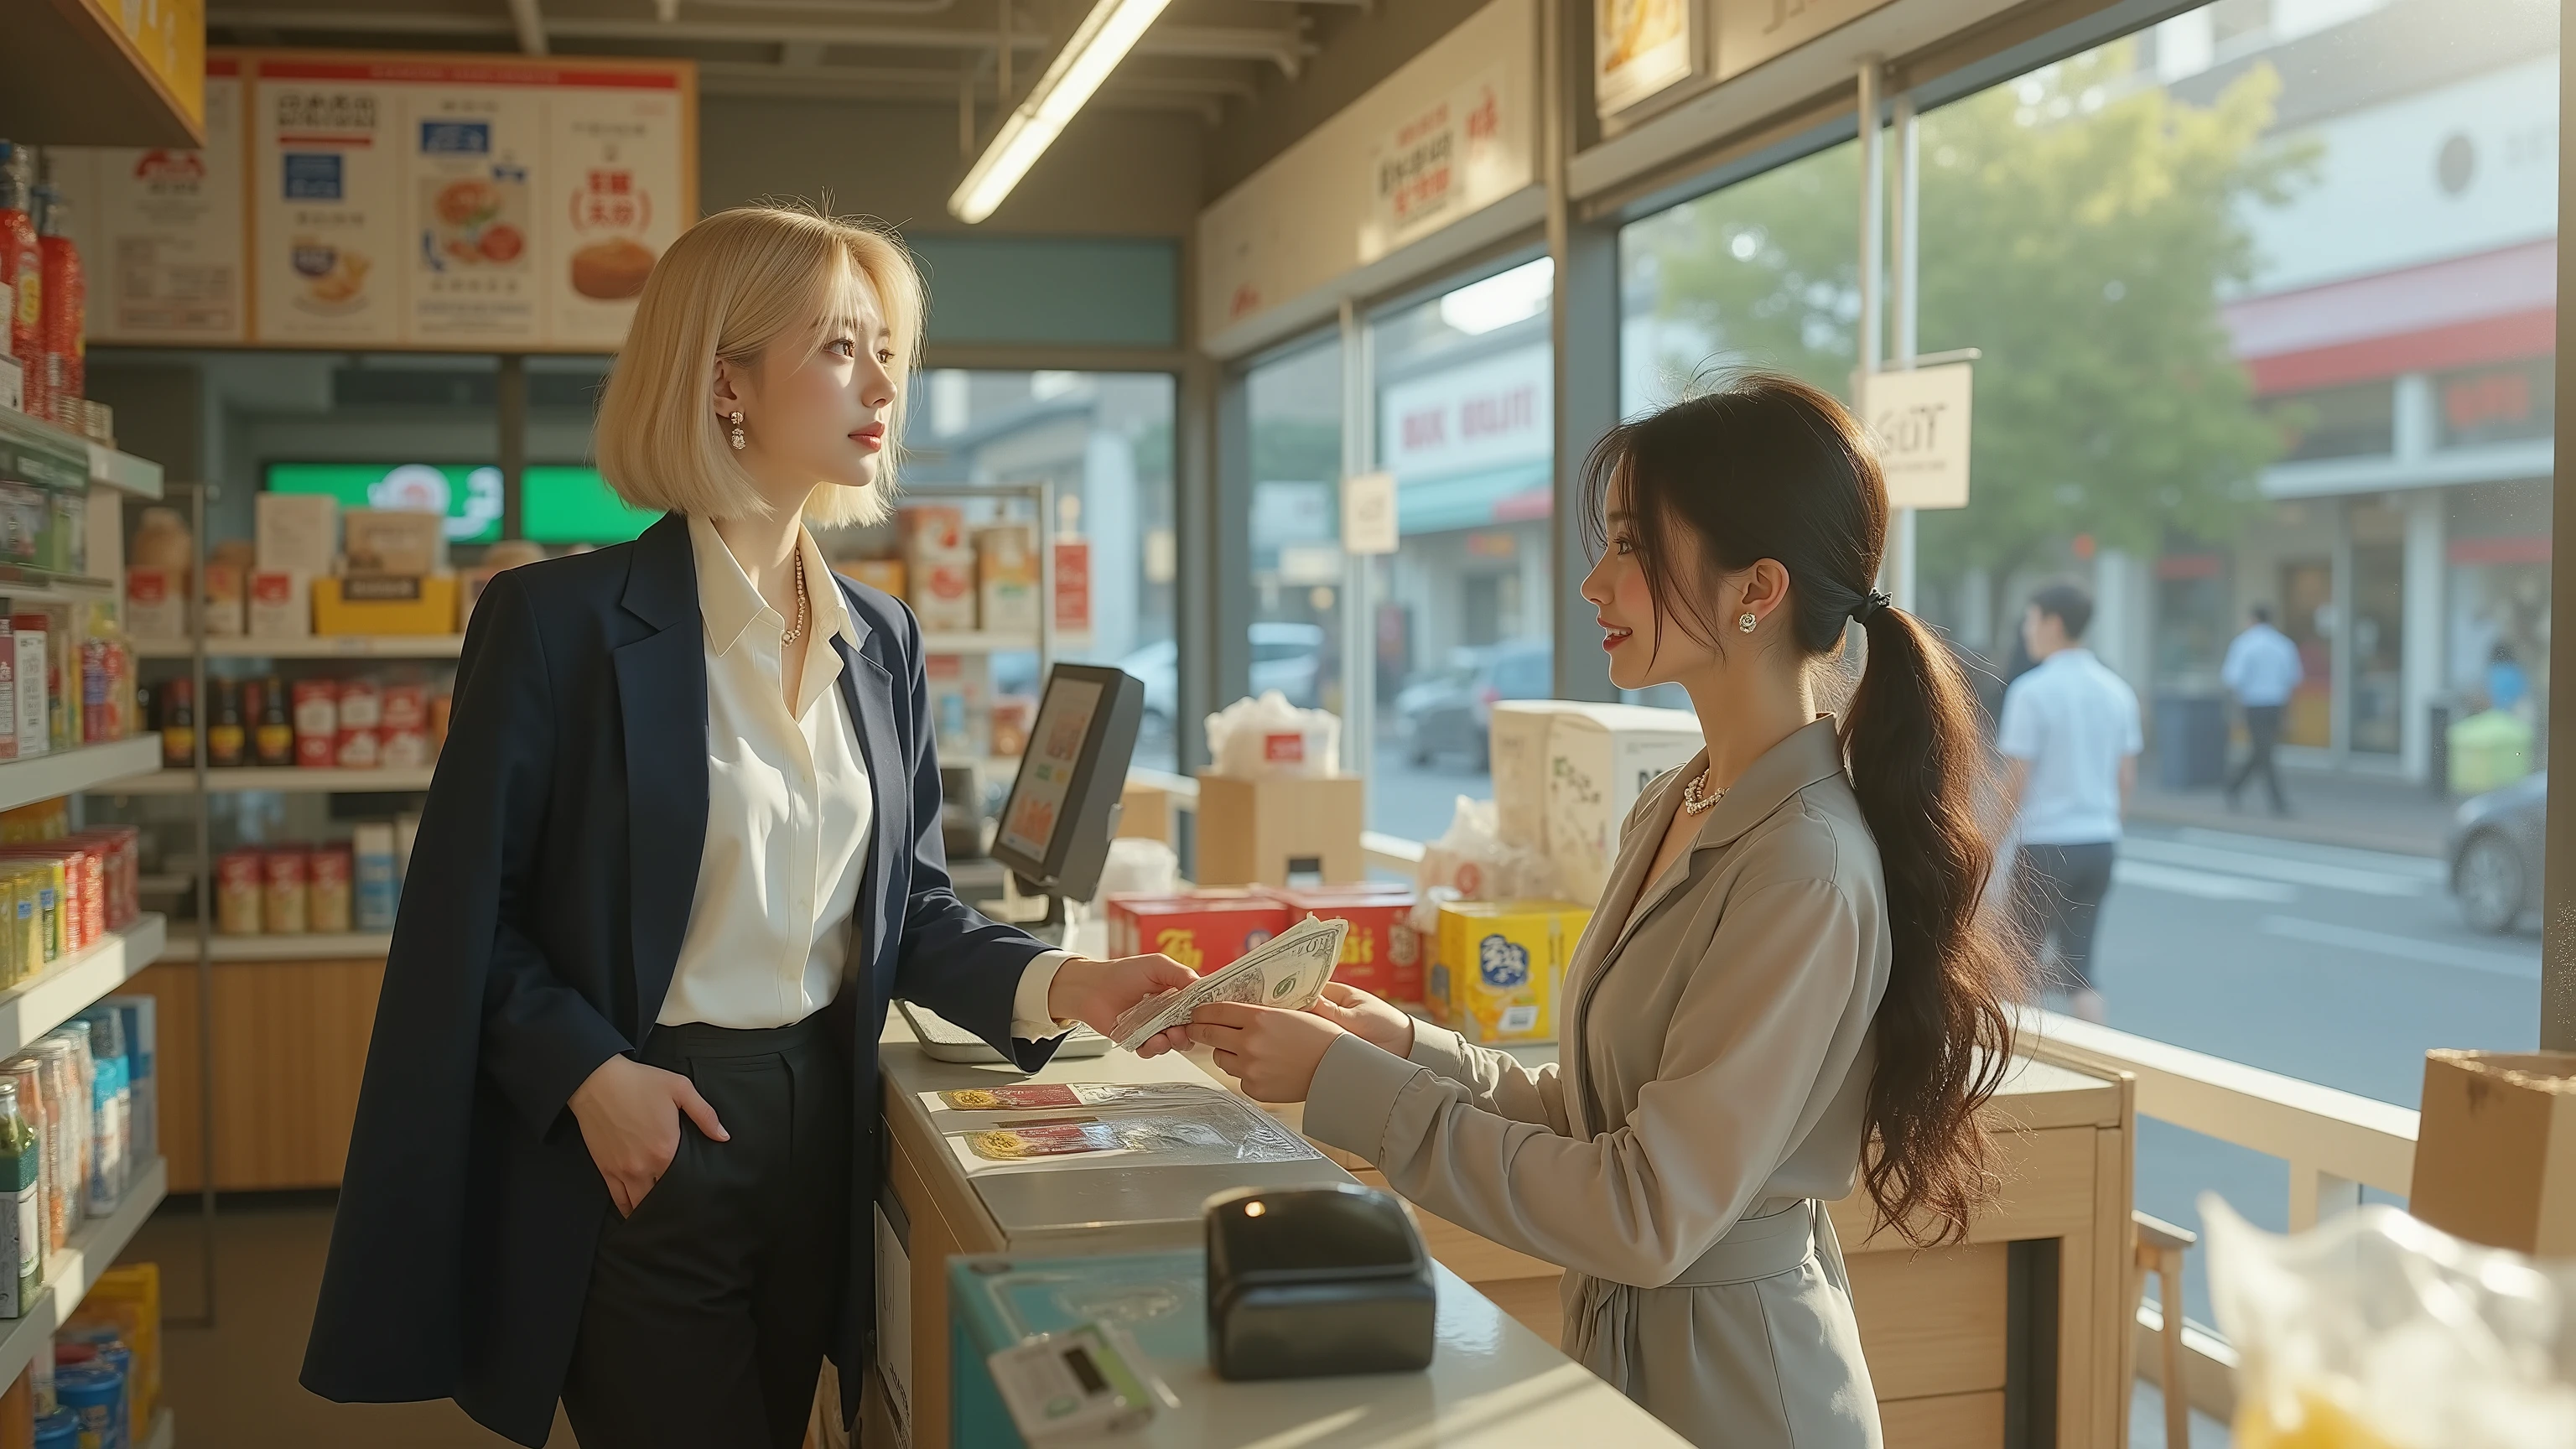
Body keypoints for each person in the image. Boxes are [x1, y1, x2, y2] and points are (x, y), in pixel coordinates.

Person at [299, 205, 1196, 1449]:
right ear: (725, 380)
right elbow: (468, 919)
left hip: (824, 1128)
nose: (882, 382)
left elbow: (911, 910)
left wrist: (1072, 983)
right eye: (838, 347)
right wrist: (590, 1077)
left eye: (886, 348)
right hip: (646, 1124)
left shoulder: (879, 638)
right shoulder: (556, 625)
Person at [1156, 373, 2024, 1449]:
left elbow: (1645, 1209)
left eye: (1630, 547)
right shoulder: (1681, 800)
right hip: (1636, 1359)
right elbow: (1602, 1114)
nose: (1592, 583)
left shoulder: (1803, 864)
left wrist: (1348, 1087)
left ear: (1756, 588)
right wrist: (1406, 1048)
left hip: (1744, 1397)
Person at [1997, 580, 2142, 1024]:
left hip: (2044, 844)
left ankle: (2023, 1071)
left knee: (2017, 967)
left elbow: (2017, 780)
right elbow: (2126, 778)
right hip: (2099, 842)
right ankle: (2097, 1068)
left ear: (2053, 624)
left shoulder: (2031, 690)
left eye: (2031, 618)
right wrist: (2107, 825)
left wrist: (1986, 841)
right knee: (2081, 970)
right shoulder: (2117, 690)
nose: (2027, 630)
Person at [2220, 603, 2303, 814]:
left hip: (2254, 704)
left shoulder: (2244, 644)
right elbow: (2293, 678)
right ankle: (2276, 801)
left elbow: (2233, 678)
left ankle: (2233, 787)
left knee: (2262, 752)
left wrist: (2236, 708)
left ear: (2253, 619)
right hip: (2276, 704)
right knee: (2265, 751)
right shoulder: (2283, 644)